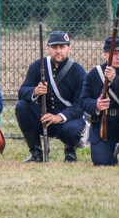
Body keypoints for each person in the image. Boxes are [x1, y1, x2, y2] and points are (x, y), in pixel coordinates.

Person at [15, 30, 87, 163]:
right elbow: (22, 92)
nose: (58, 51)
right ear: (48, 48)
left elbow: (80, 105)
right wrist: (35, 91)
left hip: (67, 120)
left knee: (72, 129)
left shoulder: (78, 71)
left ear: (69, 48)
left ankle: (70, 152)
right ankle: (36, 152)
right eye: (54, 47)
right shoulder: (38, 66)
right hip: (44, 117)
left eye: (62, 47)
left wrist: (60, 117)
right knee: (22, 107)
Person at [80, 36, 119, 167]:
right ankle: (112, 151)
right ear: (105, 54)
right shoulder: (94, 74)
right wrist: (96, 105)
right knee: (101, 161)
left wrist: (115, 80)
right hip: (104, 123)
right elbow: (83, 101)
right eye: (114, 54)